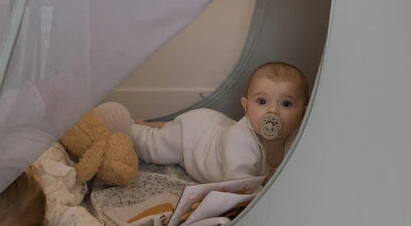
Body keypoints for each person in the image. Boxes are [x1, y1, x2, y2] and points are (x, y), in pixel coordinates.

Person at [96, 61, 309, 184]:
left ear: (303, 114)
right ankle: (128, 126)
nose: (272, 111)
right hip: (194, 137)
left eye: (286, 104)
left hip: (215, 126)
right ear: (246, 107)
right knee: (155, 148)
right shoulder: (241, 141)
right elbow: (239, 185)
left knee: (167, 128)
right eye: (262, 101)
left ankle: (155, 125)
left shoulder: (298, 140)